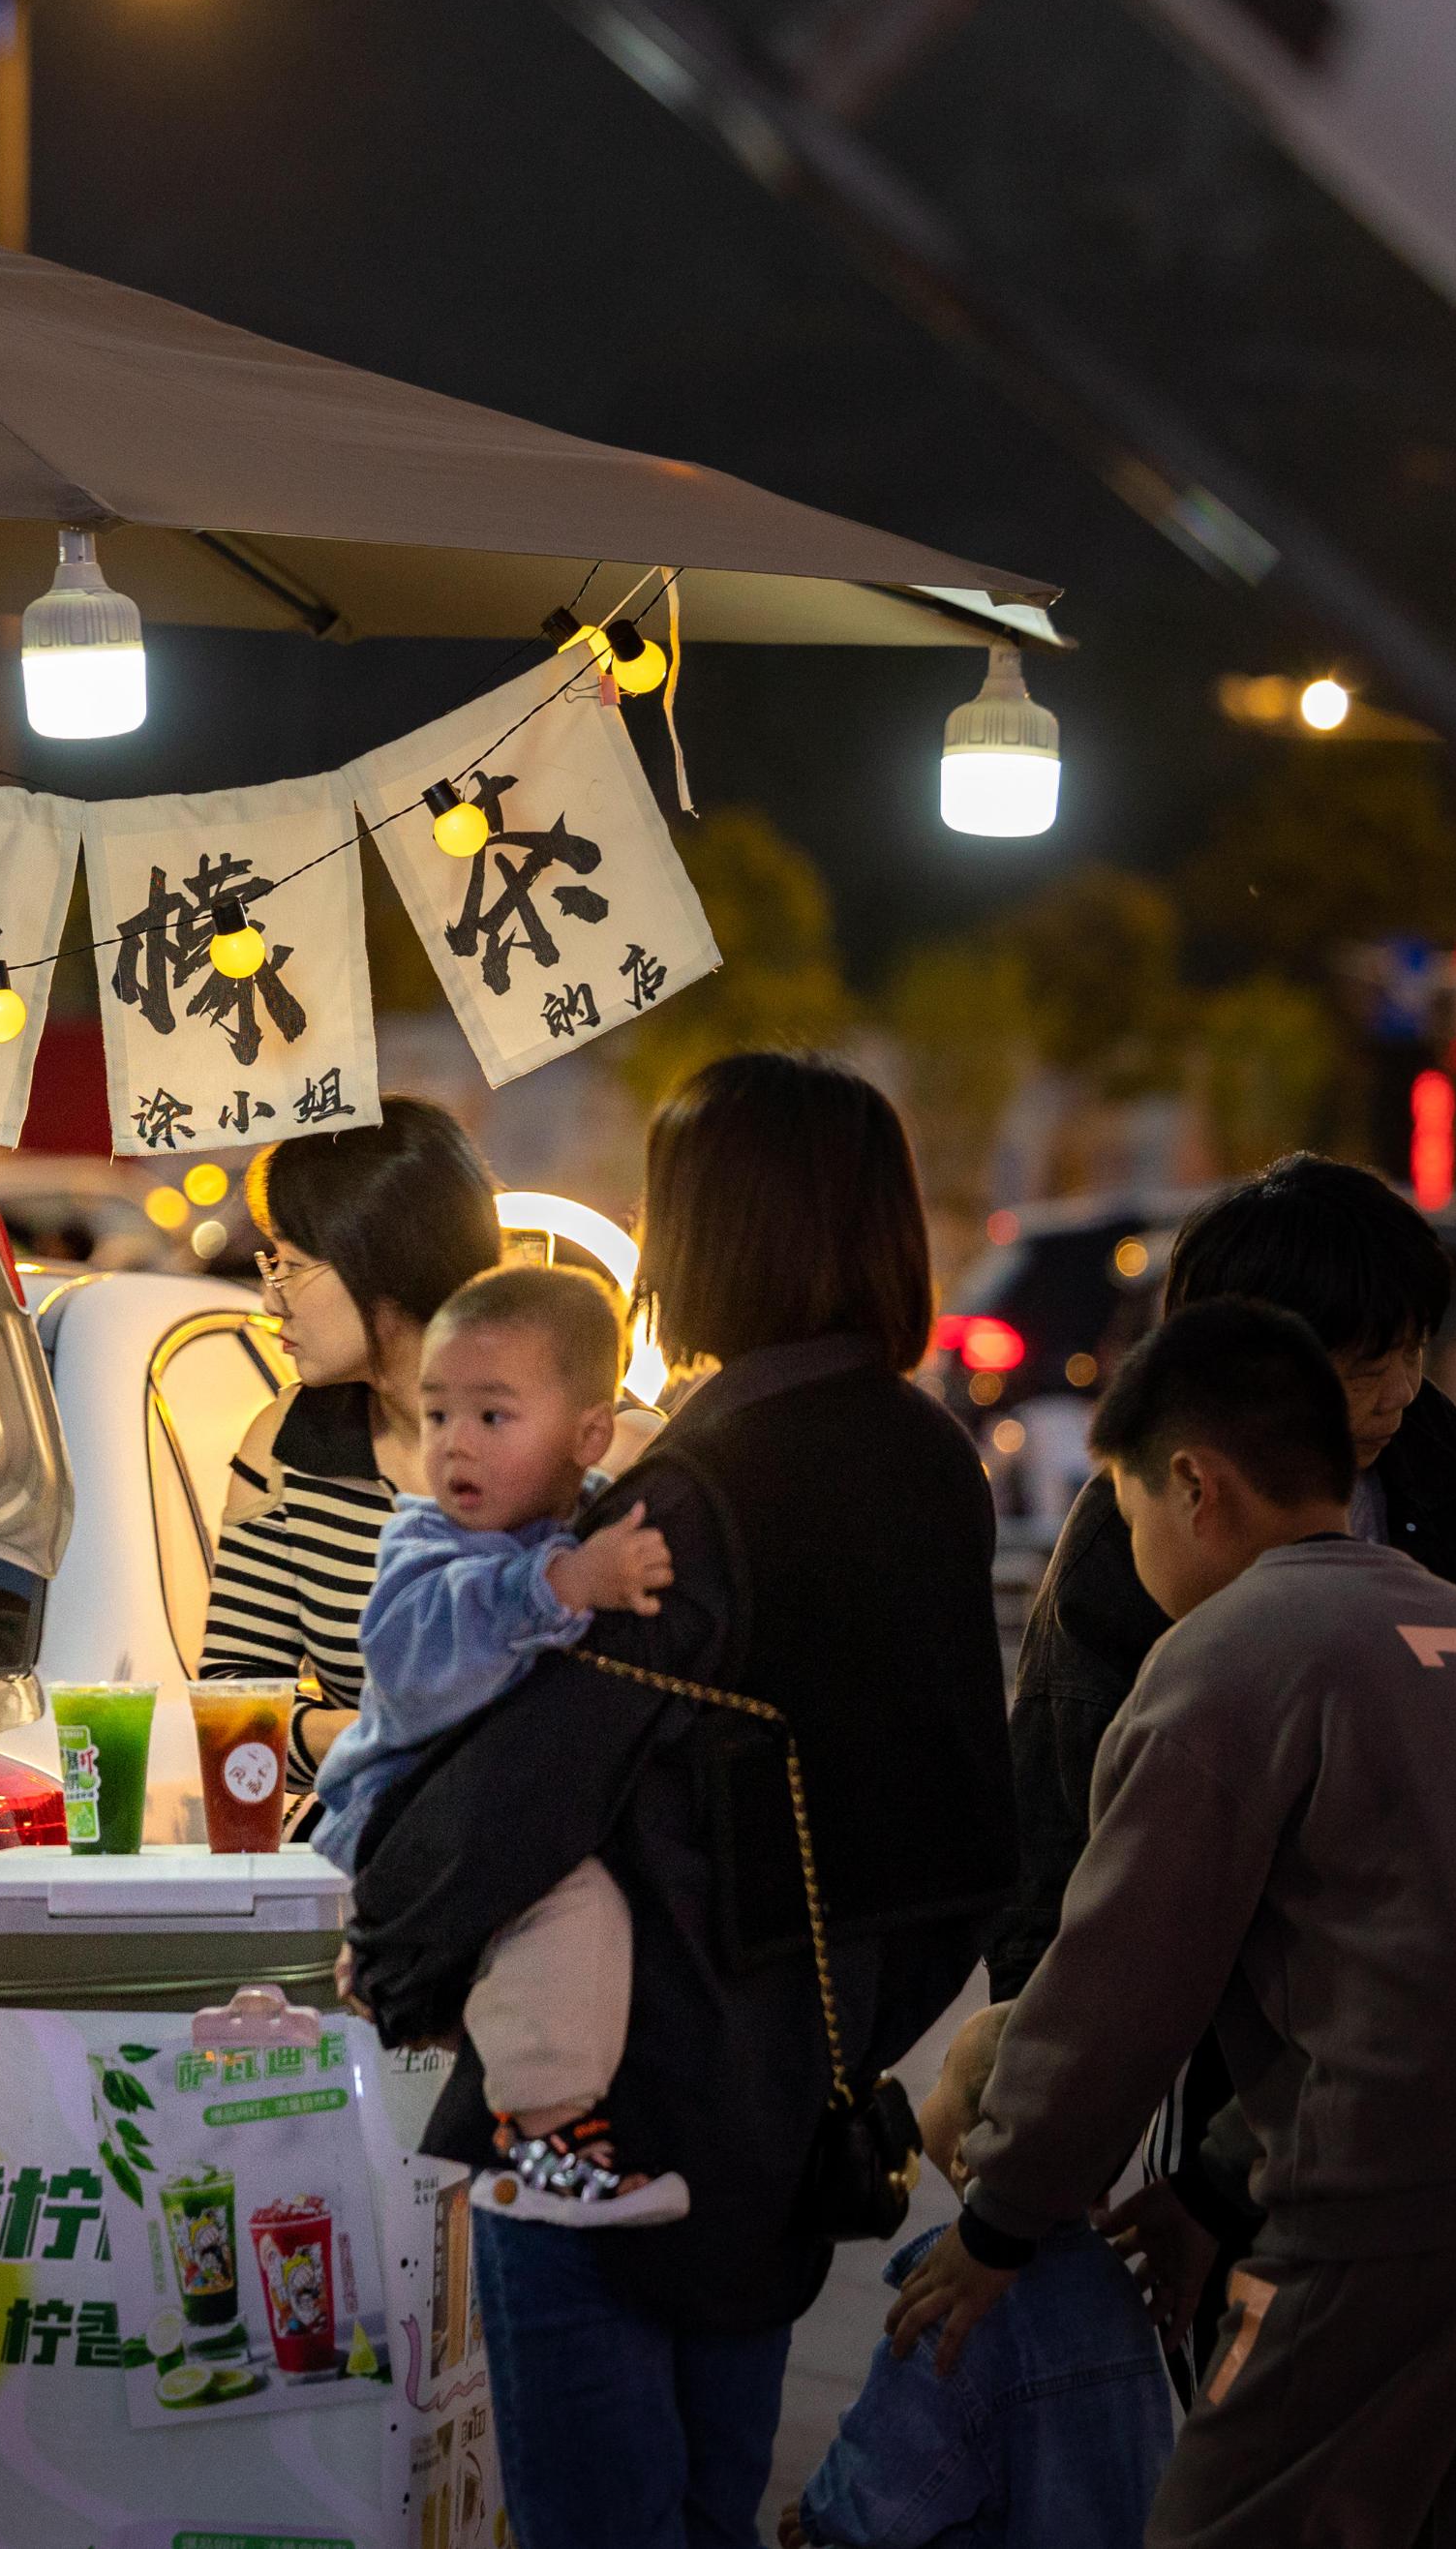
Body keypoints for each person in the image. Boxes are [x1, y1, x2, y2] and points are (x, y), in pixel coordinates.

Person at [896, 1300, 1456, 2548]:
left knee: (1234, 2522)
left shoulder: (1227, 1653)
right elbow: (1430, 1956)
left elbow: (1119, 1986)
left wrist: (999, 2223)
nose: (1129, 1550)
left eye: (1123, 1517)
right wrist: (1214, 2194)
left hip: (1408, 2172)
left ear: (1189, 1485)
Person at [347, 1051, 1014, 2549]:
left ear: (714, 1231)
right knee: (715, 2495)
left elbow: (532, 1787)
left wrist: (386, 1934)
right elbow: (972, 1823)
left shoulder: (699, 1489)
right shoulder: (933, 1463)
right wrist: (829, 2019)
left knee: (597, 2513)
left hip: (616, 2108)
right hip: (792, 2097)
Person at [956, 1154, 1456, 2367]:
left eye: (1416, 1349)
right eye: (1374, 1363)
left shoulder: (1424, 1456)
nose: (1404, 1391)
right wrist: (1035, 2100)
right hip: (1272, 2057)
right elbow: (1072, 1846)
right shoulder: (1138, 1535)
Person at [320, 1263, 678, 2221]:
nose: (453, 1447)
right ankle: (546, 2133)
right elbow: (411, 1660)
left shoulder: (583, 1516)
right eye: (436, 1416)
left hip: (483, 1840)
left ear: (585, 1435)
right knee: (574, 1897)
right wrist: (558, 1588)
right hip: (395, 1851)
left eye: (492, 1416)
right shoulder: (429, 1543)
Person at [776, 2010, 1172, 2549]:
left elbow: (873, 2493)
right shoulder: (1113, 2285)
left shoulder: (954, 2305)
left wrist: (822, 2511)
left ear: (968, 2154)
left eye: (943, 2075)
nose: (929, 2092)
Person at [200, 1100, 503, 1754]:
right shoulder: (285, 1443)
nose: (270, 1297)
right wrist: (398, 1731)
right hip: (371, 1844)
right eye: (267, 1264)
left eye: (288, 1264)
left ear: (379, 1259)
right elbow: (229, 1719)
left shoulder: (578, 1441)